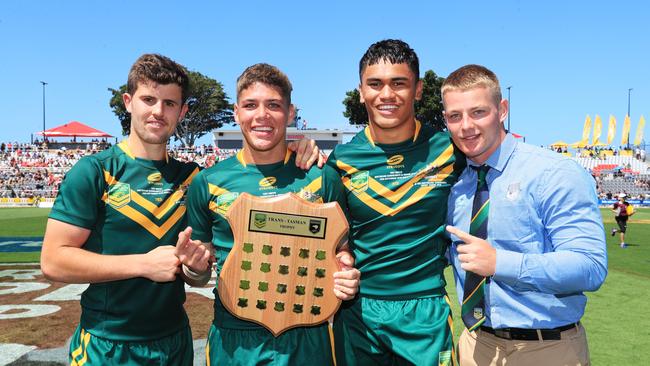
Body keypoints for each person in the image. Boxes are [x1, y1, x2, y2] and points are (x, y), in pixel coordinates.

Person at [40, 55, 321, 365]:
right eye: (148, 99)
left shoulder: (195, 178)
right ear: (128, 101)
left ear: (183, 111)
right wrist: (141, 265)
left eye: (170, 103)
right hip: (107, 343)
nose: (158, 112)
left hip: (175, 342)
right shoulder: (94, 171)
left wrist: (300, 144)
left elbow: (197, 273)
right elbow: (53, 261)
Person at [184, 63, 360, 365]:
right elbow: (198, 273)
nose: (262, 115)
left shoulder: (320, 176)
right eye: (251, 105)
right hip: (234, 336)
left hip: (308, 332)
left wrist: (346, 272)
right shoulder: (208, 182)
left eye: (274, 105)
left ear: (291, 112)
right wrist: (193, 268)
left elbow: (342, 252)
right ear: (237, 112)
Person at [443, 64, 607, 366]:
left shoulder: (553, 172)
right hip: (474, 345)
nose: (466, 125)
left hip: (546, 349)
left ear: (502, 109)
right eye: (455, 116)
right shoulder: (457, 185)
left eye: (478, 112)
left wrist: (500, 263)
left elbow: (590, 266)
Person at [327, 39, 466, 365]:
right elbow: (333, 237)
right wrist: (340, 259)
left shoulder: (450, 150)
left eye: (398, 83)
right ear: (361, 91)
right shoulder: (342, 160)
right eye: (375, 84)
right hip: (358, 313)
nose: (386, 94)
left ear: (417, 90)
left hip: (425, 313)